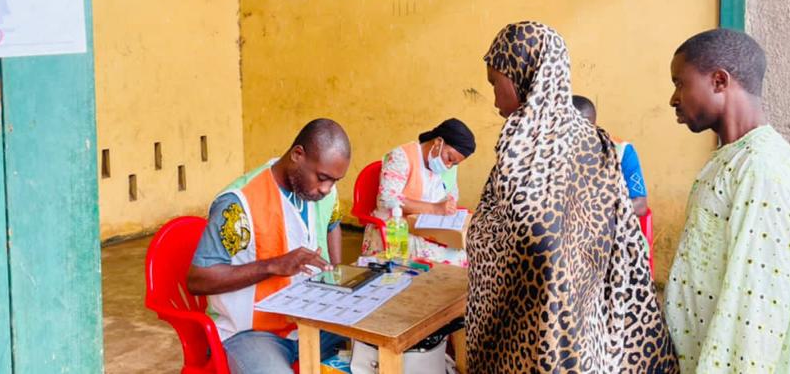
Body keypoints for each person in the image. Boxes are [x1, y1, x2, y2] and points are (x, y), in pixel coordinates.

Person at [465, 21, 677, 372]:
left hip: (529, 338)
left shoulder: (525, 146)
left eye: (494, 83)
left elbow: (534, 250)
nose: (494, 99)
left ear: (524, 75)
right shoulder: (593, 141)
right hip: (583, 335)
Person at [665, 28, 790, 373]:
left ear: (718, 81)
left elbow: (757, 306)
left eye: (679, 83)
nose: (673, 98)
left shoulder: (761, 168)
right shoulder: (732, 159)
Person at [186, 118, 351, 373]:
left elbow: (333, 224)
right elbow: (198, 280)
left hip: (310, 322)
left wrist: (337, 275)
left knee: (374, 352)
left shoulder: (323, 193)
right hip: (251, 334)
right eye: (322, 178)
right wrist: (274, 265)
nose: (327, 189)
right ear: (298, 155)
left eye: (335, 181)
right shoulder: (239, 205)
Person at [361, 118, 476, 265]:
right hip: (396, 228)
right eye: (449, 158)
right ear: (438, 142)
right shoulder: (401, 156)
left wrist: (449, 206)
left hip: (428, 228)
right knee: (455, 257)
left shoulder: (446, 169)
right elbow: (387, 199)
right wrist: (435, 209)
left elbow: (451, 196)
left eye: (454, 164)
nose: (448, 166)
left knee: (471, 248)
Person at [572, 95, 649, 217]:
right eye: (572, 125)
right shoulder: (551, 153)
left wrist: (593, 214)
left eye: (585, 125)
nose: (579, 131)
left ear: (594, 124)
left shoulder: (621, 151)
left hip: (610, 229)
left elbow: (640, 206)